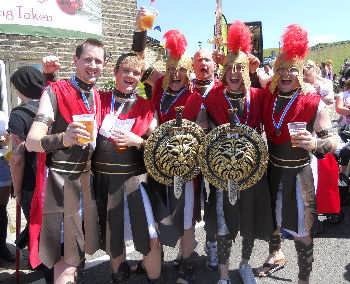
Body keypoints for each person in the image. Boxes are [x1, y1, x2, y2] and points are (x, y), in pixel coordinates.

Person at [184, 21, 274, 284]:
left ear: (248, 71)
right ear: (223, 71)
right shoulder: (212, 97)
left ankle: (244, 266)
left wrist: (261, 70)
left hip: (252, 169)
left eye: (241, 68)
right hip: (221, 170)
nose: (235, 72)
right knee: (223, 222)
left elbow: (282, 90)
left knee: (248, 222)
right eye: (231, 68)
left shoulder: (258, 96)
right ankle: (224, 274)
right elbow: (200, 126)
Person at [256, 25, 338, 284]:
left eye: (293, 69)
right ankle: (275, 255)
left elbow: (333, 141)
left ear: (301, 73)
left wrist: (314, 144)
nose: (286, 74)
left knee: (303, 229)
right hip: (271, 169)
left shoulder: (313, 102)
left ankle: (304, 278)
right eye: (281, 68)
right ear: (275, 72)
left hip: (299, 173)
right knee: (272, 219)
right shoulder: (267, 98)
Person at [26, 38, 104, 284]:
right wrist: (63, 138)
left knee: (76, 254)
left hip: (86, 183)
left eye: (98, 61)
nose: (93, 65)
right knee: (65, 258)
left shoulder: (97, 95)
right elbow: (32, 141)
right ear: (75, 60)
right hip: (60, 184)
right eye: (88, 59)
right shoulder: (55, 91)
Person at [92, 51, 162, 283]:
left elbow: (158, 144)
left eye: (136, 72)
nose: (131, 75)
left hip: (134, 181)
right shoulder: (98, 99)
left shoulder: (146, 106)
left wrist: (138, 141)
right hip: (103, 182)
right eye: (126, 70)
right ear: (115, 73)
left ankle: (155, 277)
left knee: (149, 234)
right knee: (113, 235)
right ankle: (118, 274)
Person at [7, 66, 45, 251]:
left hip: (31, 181)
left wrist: (18, 190)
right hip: (55, 177)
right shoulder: (53, 107)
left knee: (36, 223)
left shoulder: (18, 114)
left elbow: (17, 159)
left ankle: (39, 262)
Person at [0, 110, 15, 263]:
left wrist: (5, 140)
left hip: (2, 166)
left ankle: (1, 247)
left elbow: (9, 141)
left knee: (1, 209)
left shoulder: (2, 116)